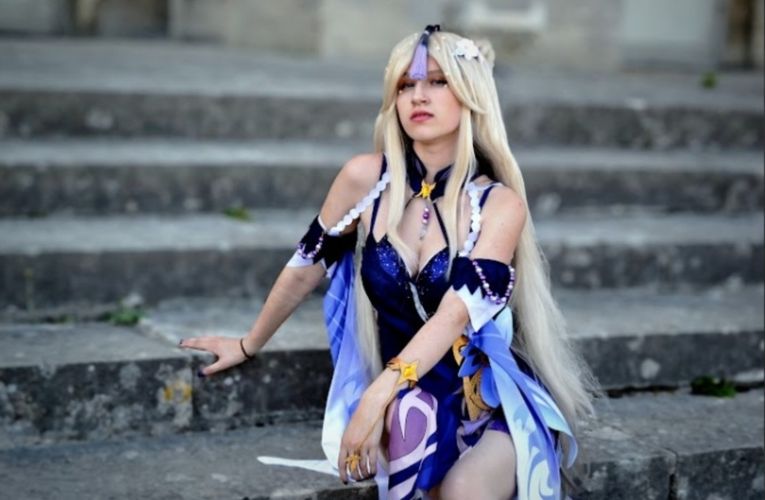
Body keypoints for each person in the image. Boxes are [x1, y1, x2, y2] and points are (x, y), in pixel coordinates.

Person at [180, 25, 599, 500]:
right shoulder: (365, 180)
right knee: (411, 420)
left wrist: (377, 394)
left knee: (463, 489)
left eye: (437, 82)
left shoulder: (499, 205)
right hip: (409, 401)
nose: (418, 96)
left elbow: (453, 315)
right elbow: (305, 267)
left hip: (484, 401)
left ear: (471, 95)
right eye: (405, 85)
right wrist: (248, 342)